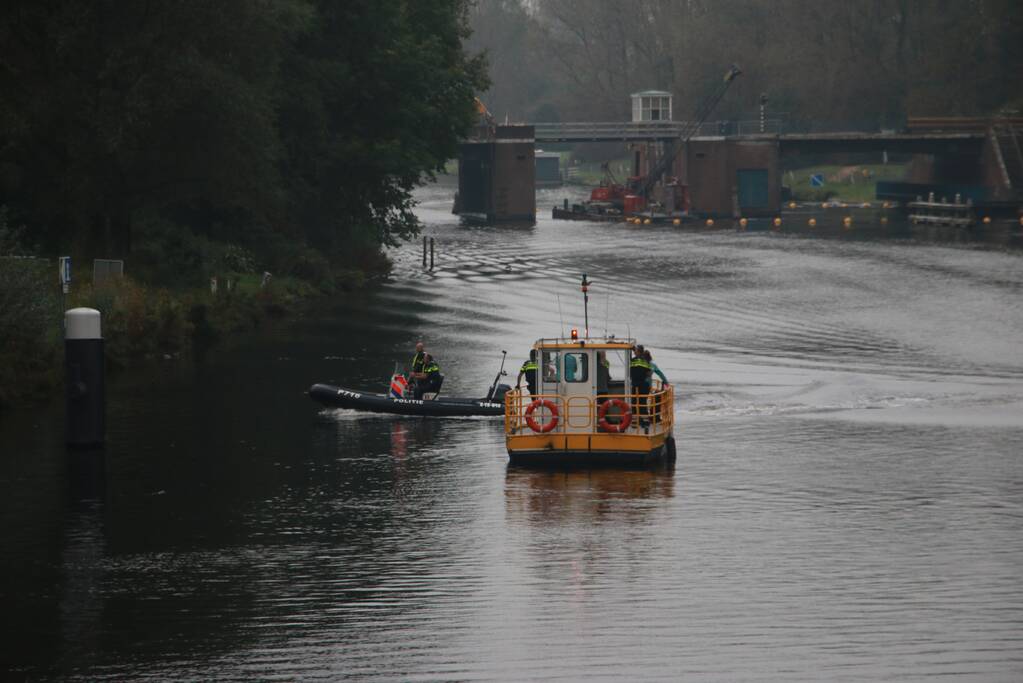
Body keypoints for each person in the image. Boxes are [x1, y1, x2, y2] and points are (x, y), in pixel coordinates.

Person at [629, 346, 652, 423]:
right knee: (643, 403)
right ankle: (645, 421)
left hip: (636, 384)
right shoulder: (646, 361)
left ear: (638, 352)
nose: (634, 352)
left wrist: (630, 350)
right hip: (643, 384)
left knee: (634, 403)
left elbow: (629, 363)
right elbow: (649, 373)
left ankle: (635, 421)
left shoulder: (633, 360)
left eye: (635, 351)